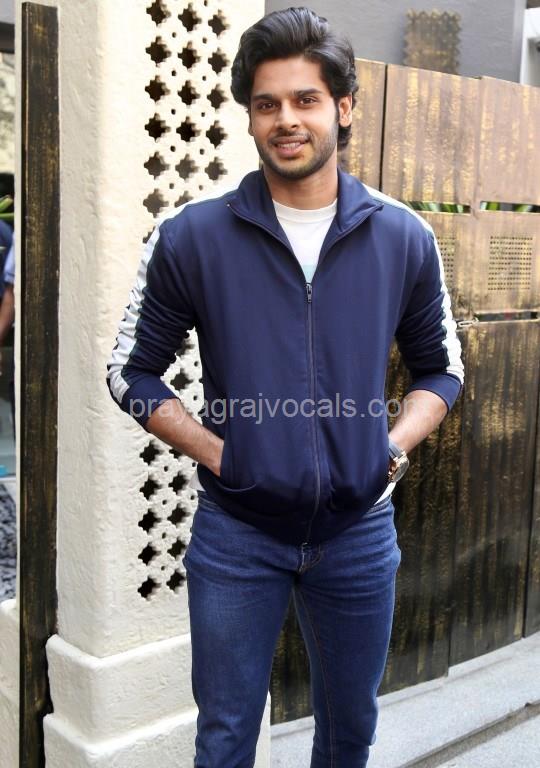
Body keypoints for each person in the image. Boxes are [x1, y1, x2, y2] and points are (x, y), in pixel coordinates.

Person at [107, 7, 464, 766]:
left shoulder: (402, 235)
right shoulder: (192, 237)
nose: (286, 120)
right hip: (237, 534)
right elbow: (128, 372)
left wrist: (390, 451)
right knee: (226, 736)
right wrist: (220, 454)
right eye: (266, 104)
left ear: (343, 107)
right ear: (250, 117)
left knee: (349, 731)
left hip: (358, 532)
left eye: (306, 99)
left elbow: (443, 369)